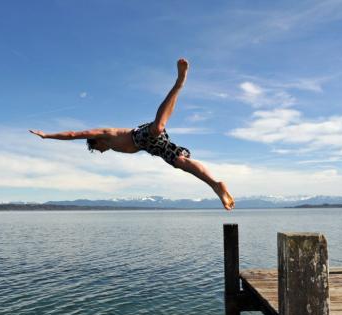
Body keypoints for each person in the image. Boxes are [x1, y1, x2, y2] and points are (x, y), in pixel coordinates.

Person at [30, 59, 235, 210]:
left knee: (157, 128)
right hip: (152, 147)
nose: (100, 152)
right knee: (180, 161)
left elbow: (74, 134)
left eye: (96, 148)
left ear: (97, 140)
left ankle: (179, 82)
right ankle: (215, 185)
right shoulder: (111, 145)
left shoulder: (105, 133)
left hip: (142, 135)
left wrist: (48, 136)